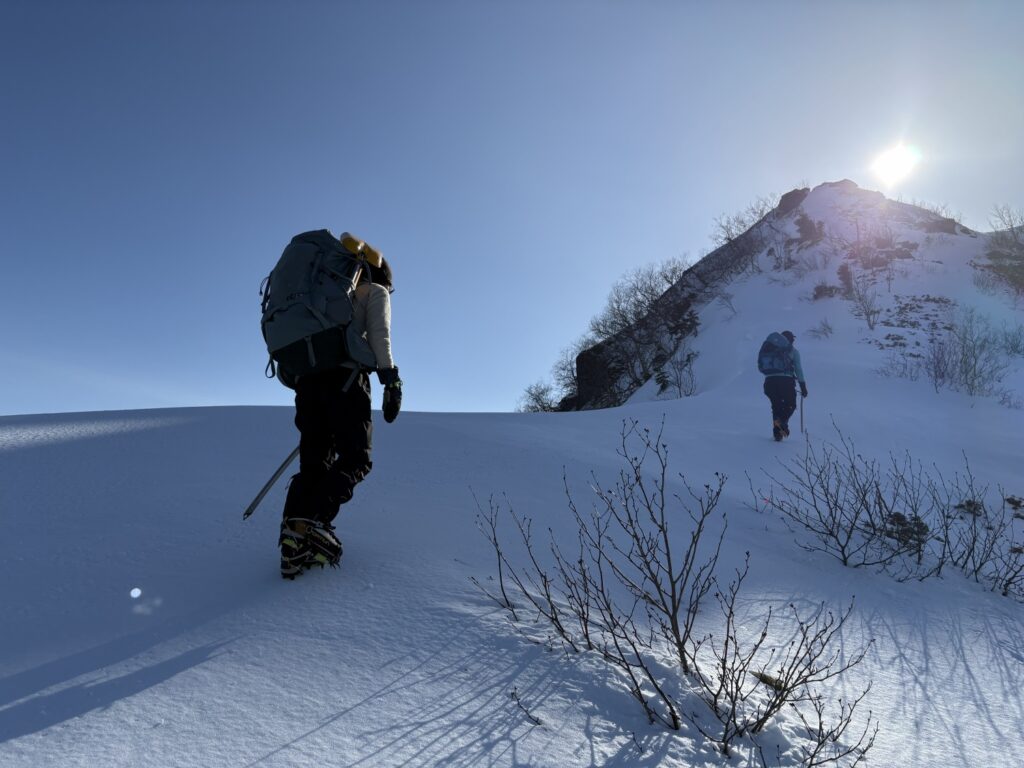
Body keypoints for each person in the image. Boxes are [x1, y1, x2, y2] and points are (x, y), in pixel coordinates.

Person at [278, 255, 402, 578]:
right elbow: (379, 335)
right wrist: (391, 380)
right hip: (346, 381)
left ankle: (292, 545)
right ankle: (312, 525)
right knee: (357, 458)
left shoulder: (318, 297)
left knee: (314, 462)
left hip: (307, 384)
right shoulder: (374, 291)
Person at [762, 330, 807, 441]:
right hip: (785, 382)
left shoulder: (770, 350)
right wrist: (803, 386)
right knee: (790, 405)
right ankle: (782, 423)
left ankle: (777, 435)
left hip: (769, 382)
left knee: (776, 407)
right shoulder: (793, 351)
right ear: (791, 340)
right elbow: (798, 369)